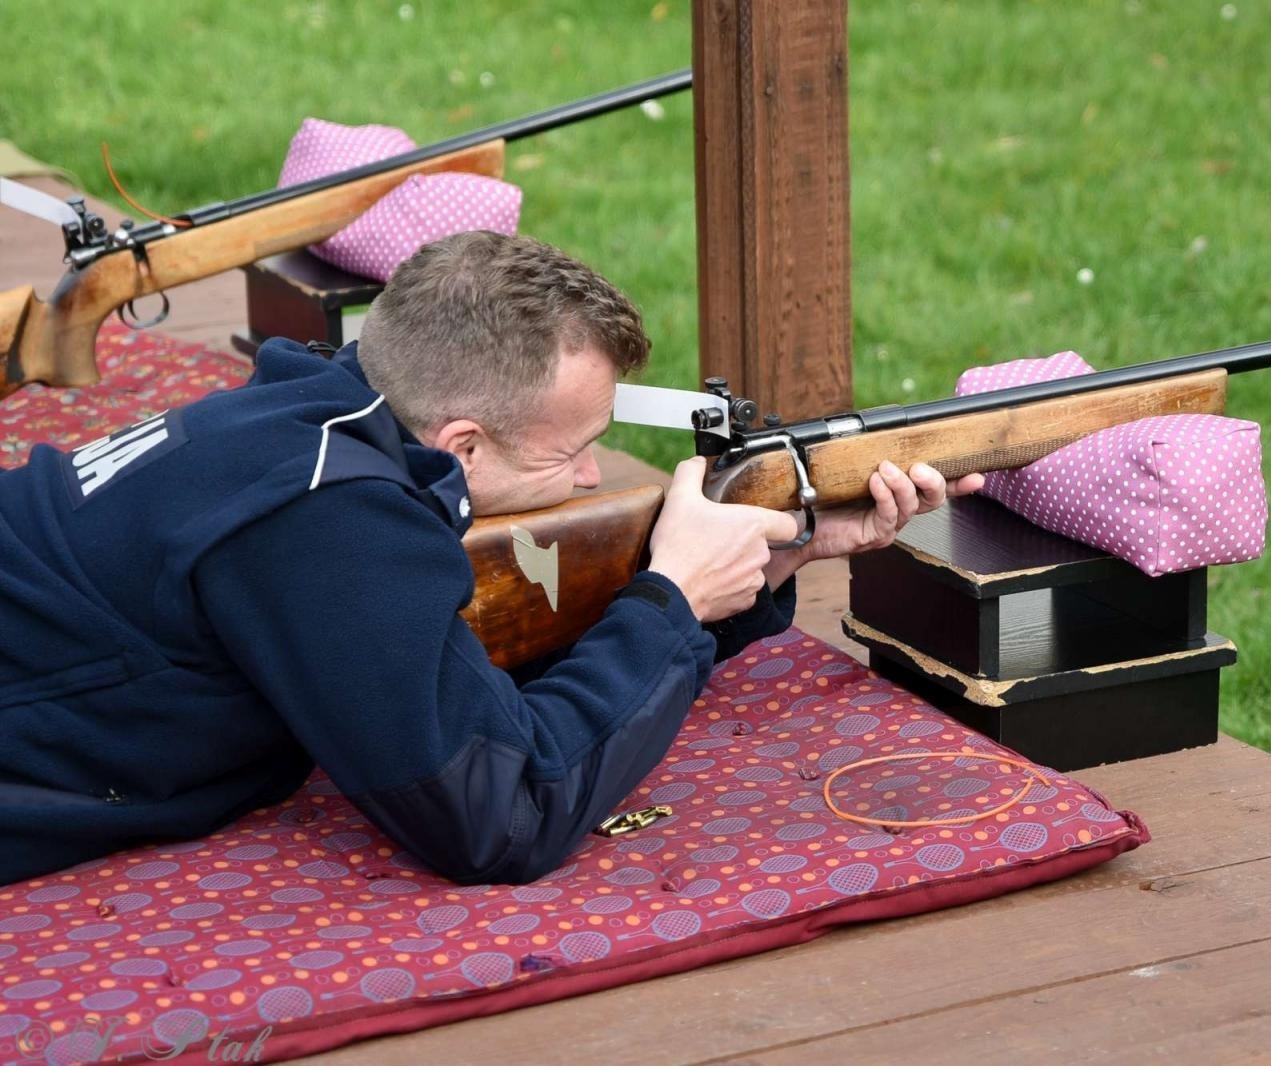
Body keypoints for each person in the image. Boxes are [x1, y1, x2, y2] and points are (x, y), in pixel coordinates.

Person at [0, 230, 981, 886]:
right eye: (566, 451)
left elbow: (454, 673)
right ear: (461, 443)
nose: (592, 471)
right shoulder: (327, 520)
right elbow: (499, 813)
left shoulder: (306, 413)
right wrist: (672, 602)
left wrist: (765, 563)